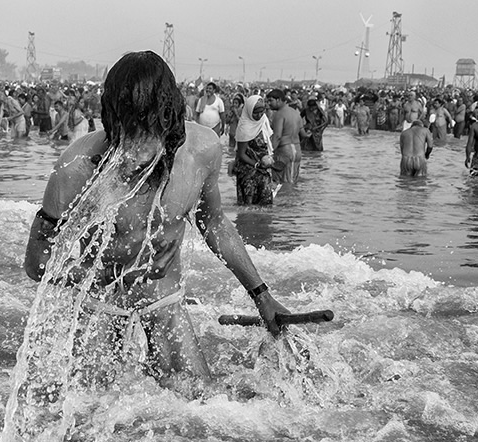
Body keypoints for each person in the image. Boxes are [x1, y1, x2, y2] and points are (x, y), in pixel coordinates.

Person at [22, 51, 289, 383]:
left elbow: (214, 222)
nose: (138, 148)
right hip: (99, 312)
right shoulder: (76, 167)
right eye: (129, 130)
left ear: (171, 118)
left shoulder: (202, 151)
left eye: (149, 130)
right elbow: (37, 262)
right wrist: (108, 272)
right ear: (111, 118)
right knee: (89, 423)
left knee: (201, 409)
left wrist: (261, 295)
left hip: (165, 303)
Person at [233, 95, 278, 205]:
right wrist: (257, 164)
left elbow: (268, 143)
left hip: (263, 170)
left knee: (266, 207)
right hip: (248, 171)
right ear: (249, 111)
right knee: (248, 208)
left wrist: (270, 163)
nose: (259, 115)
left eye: (261, 112)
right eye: (255, 112)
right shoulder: (245, 127)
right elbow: (241, 154)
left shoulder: (264, 121)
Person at [267, 89, 303, 183]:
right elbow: (303, 134)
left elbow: (277, 136)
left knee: (283, 183)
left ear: (278, 100)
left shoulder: (279, 114)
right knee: (292, 180)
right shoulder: (296, 113)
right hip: (297, 150)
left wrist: (269, 153)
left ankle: (285, 198)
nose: (269, 104)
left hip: (285, 151)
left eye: (271, 100)